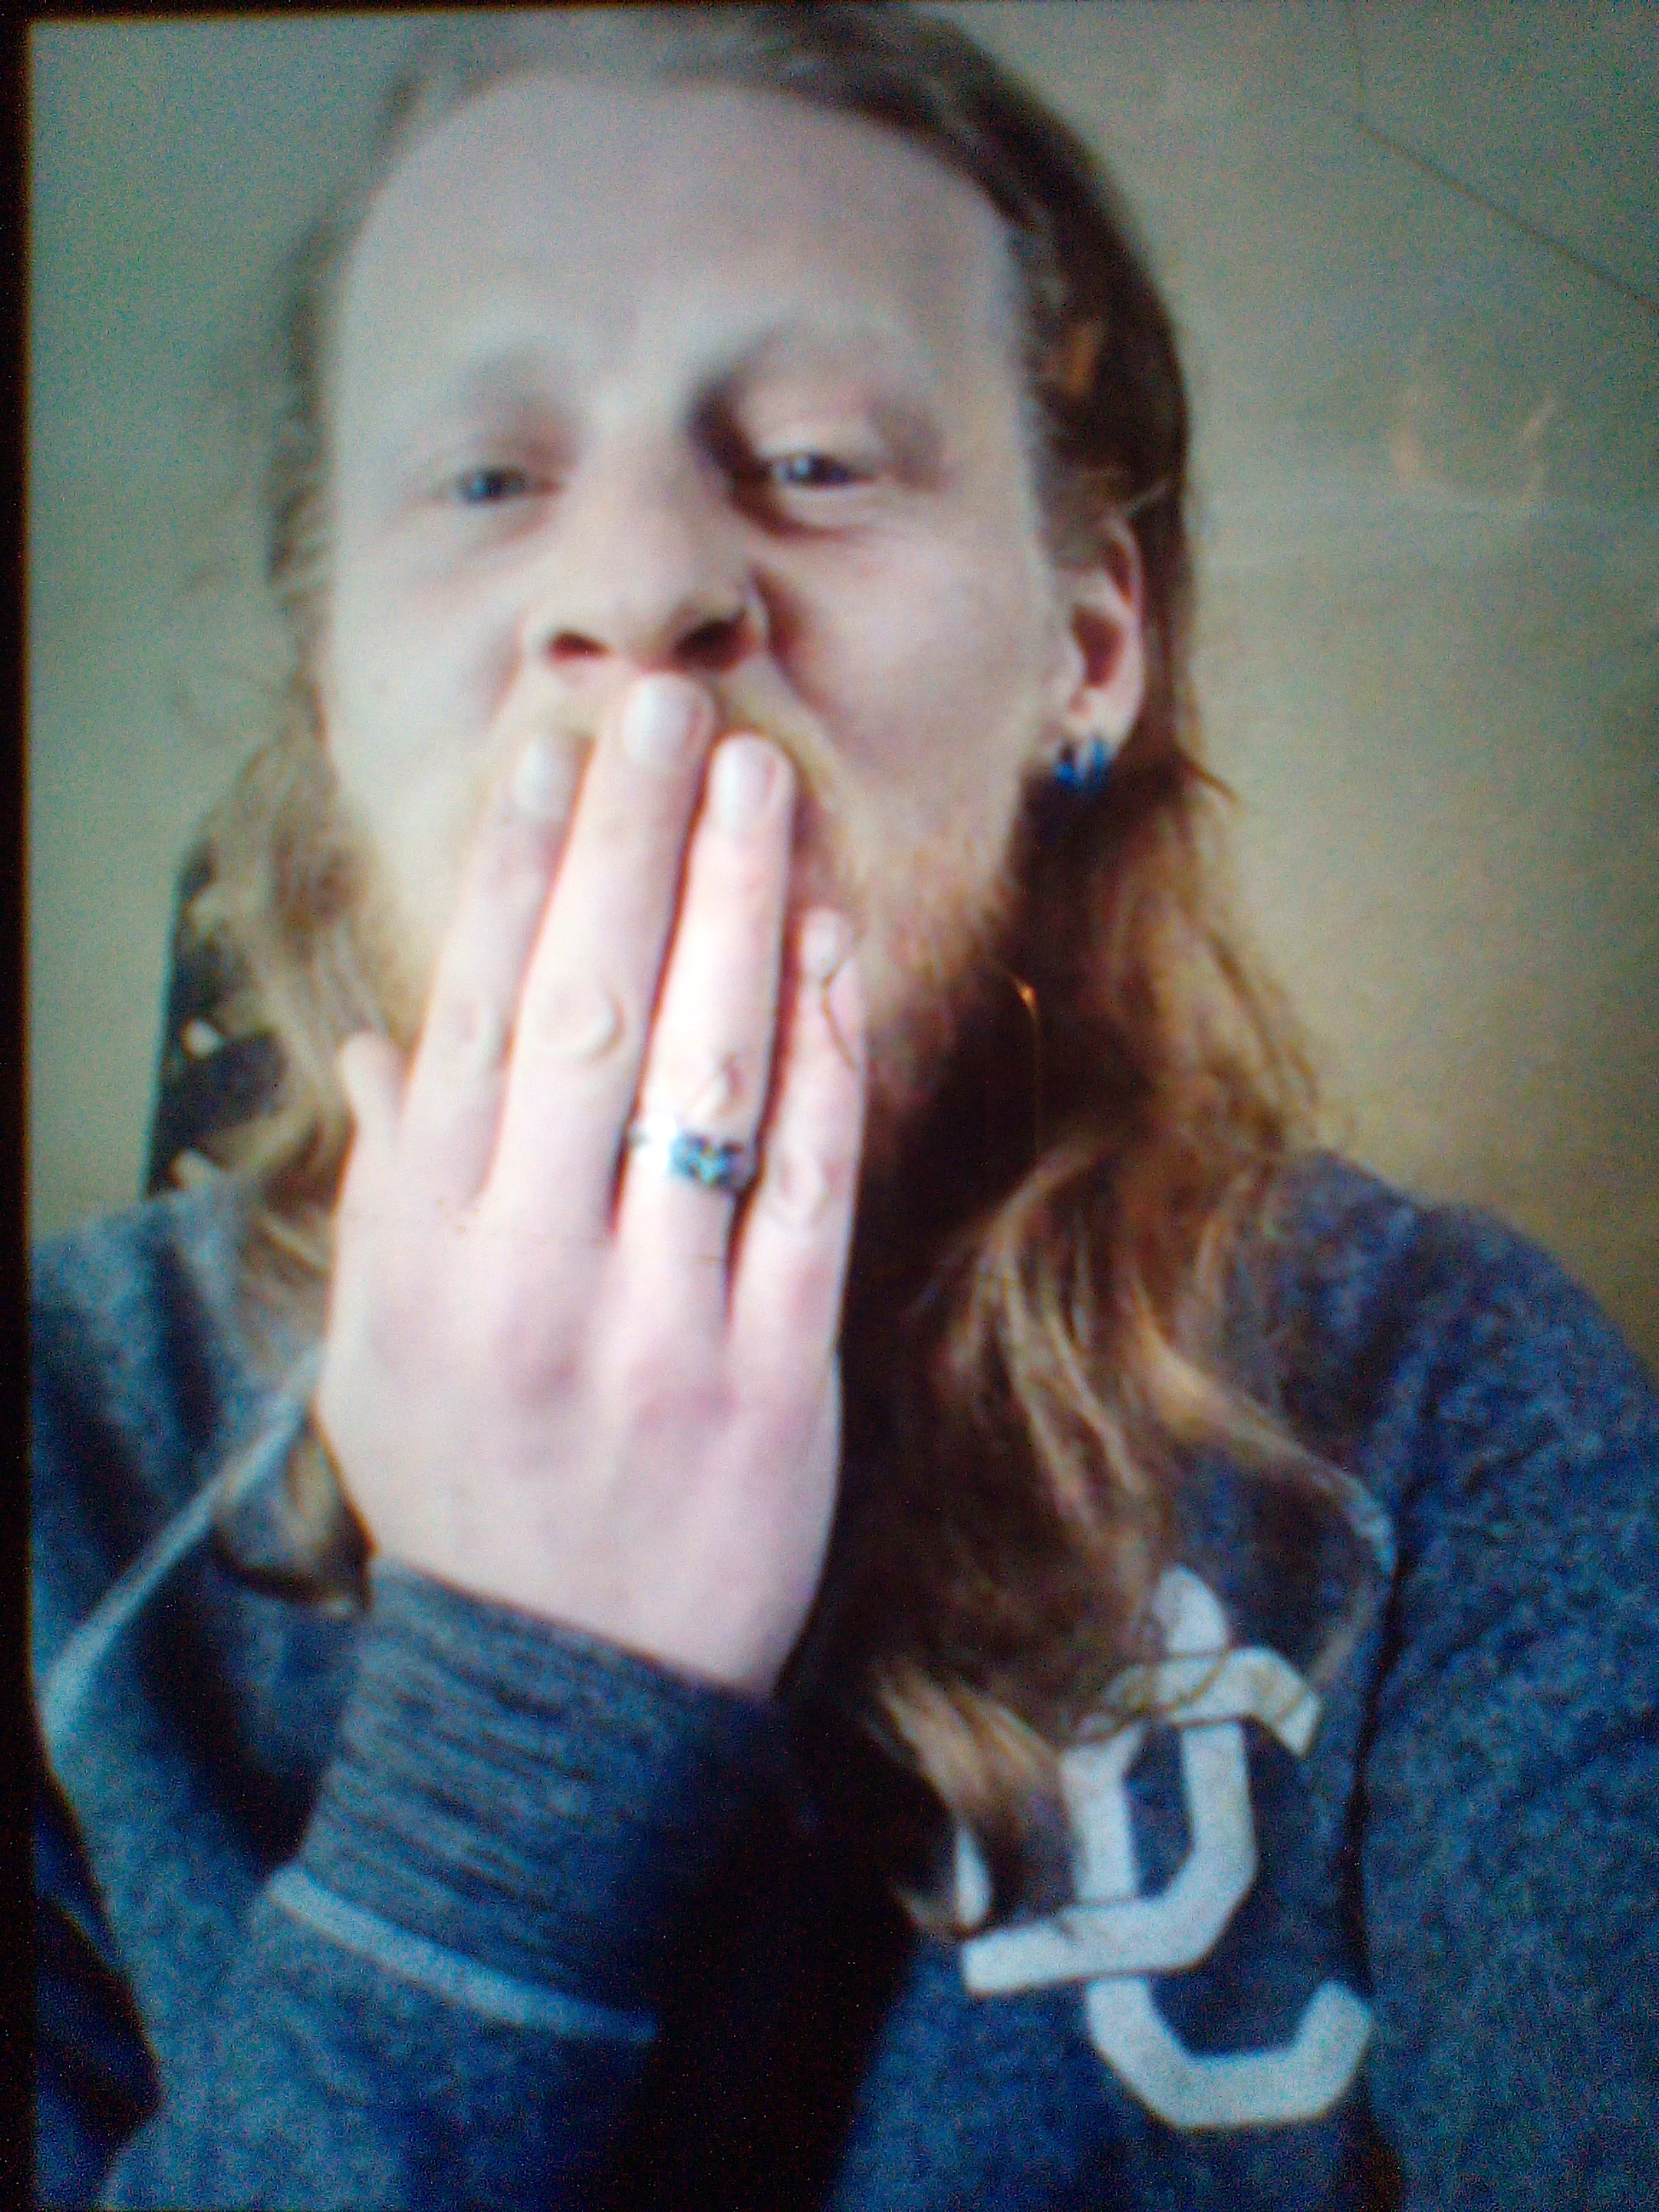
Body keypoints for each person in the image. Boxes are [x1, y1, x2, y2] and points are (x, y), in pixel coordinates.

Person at [31, 8, 1658, 2207]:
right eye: (487, 480)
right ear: (332, 691)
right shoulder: (54, 1455)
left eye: (814, 459)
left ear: (1087, 651)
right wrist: (521, 1728)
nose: (638, 588)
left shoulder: (1442, 1404)